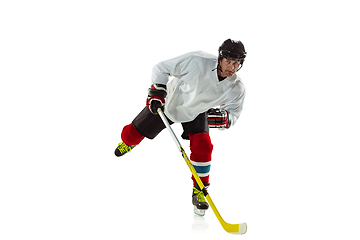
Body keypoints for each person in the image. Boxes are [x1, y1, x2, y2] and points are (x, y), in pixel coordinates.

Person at [114, 39, 247, 216]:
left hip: (197, 113)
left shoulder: (237, 88)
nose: (232, 67)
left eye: (236, 63)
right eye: (228, 61)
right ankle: (128, 143)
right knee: (131, 134)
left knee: (204, 147)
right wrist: (158, 91)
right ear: (220, 58)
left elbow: (233, 114)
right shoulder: (197, 60)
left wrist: (224, 120)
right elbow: (161, 68)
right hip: (169, 105)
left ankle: (199, 190)